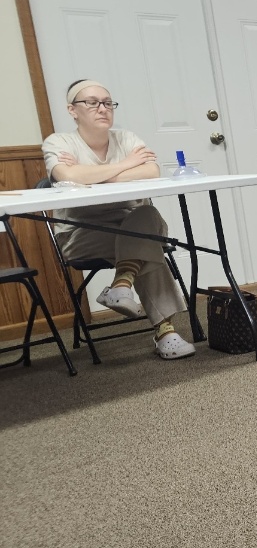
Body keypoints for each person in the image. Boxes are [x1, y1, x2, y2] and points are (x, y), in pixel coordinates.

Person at [41, 79, 196, 360]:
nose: (102, 108)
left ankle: (121, 285)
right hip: (81, 233)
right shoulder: (59, 142)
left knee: (147, 218)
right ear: (72, 110)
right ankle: (165, 331)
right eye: (92, 102)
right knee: (149, 243)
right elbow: (68, 176)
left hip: (132, 221)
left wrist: (92, 175)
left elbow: (151, 171)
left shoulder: (126, 138)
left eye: (108, 102)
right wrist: (126, 165)